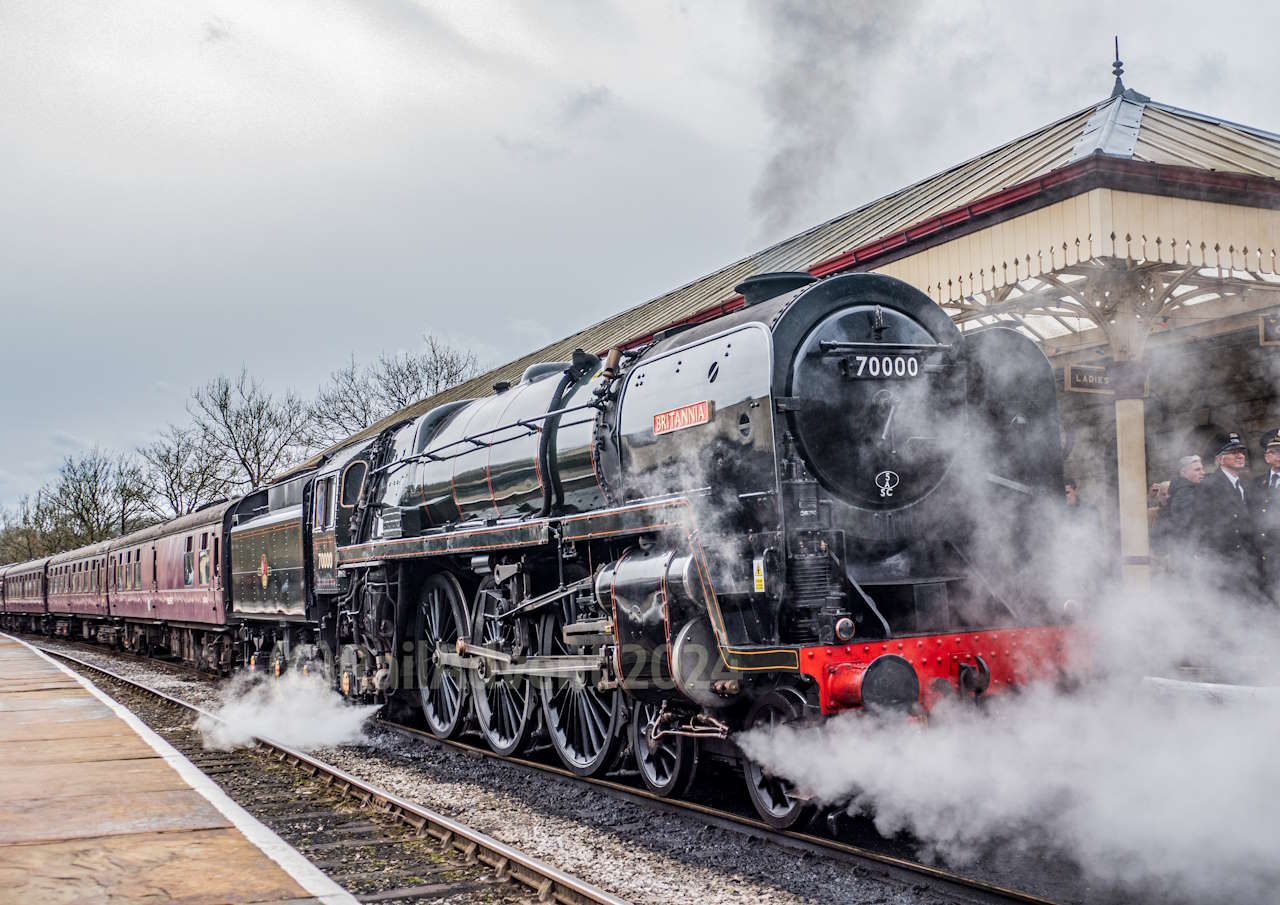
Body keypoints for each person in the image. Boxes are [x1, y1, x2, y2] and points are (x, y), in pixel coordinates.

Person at [1194, 432, 1261, 599]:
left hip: (1248, 561)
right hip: (1225, 563)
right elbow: (1202, 525)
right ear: (1219, 459)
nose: (1240, 456)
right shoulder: (1209, 485)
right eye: (1233, 452)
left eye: (1241, 451)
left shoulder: (1244, 483)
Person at [1154, 455, 1204, 561]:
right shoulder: (1185, 491)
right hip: (1187, 553)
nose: (1202, 472)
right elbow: (1183, 522)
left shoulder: (1181, 488)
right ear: (1184, 472)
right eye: (1197, 470)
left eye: (1202, 469)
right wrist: (1195, 551)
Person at [1253, 430, 1280, 598]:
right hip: (1262, 558)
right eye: (1274, 451)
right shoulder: (1256, 483)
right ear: (1266, 457)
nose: (1278, 455)